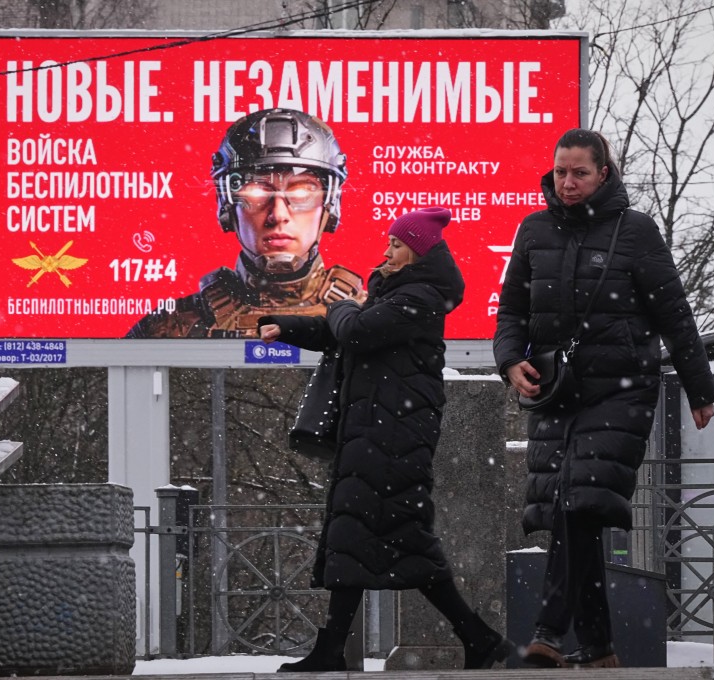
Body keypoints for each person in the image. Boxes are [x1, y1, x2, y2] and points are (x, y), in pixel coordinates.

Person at [492, 128, 714, 669]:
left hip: (621, 389)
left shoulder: (635, 231)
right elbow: (510, 313)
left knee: (578, 496)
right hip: (558, 391)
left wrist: (699, 386)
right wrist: (508, 361)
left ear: (604, 174)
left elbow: (674, 313)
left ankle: (548, 631)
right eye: (561, 172)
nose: (567, 183)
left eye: (580, 173)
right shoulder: (533, 229)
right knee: (576, 511)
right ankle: (599, 649)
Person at [258, 207, 512, 672]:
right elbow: (346, 332)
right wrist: (289, 325)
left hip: (393, 434)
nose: (387, 250)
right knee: (360, 535)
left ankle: (474, 638)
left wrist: (339, 306)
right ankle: (471, 639)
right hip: (376, 431)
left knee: (383, 536)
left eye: (396, 245)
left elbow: (354, 331)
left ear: (417, 252)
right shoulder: (397, 292)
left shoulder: (421, 296)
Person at [126, 107, 365, 339]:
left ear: (329, 203)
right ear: (227, 203)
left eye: (301, 192)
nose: (278, 214)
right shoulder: (173, 326)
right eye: (257, 192)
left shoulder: (370, 318)